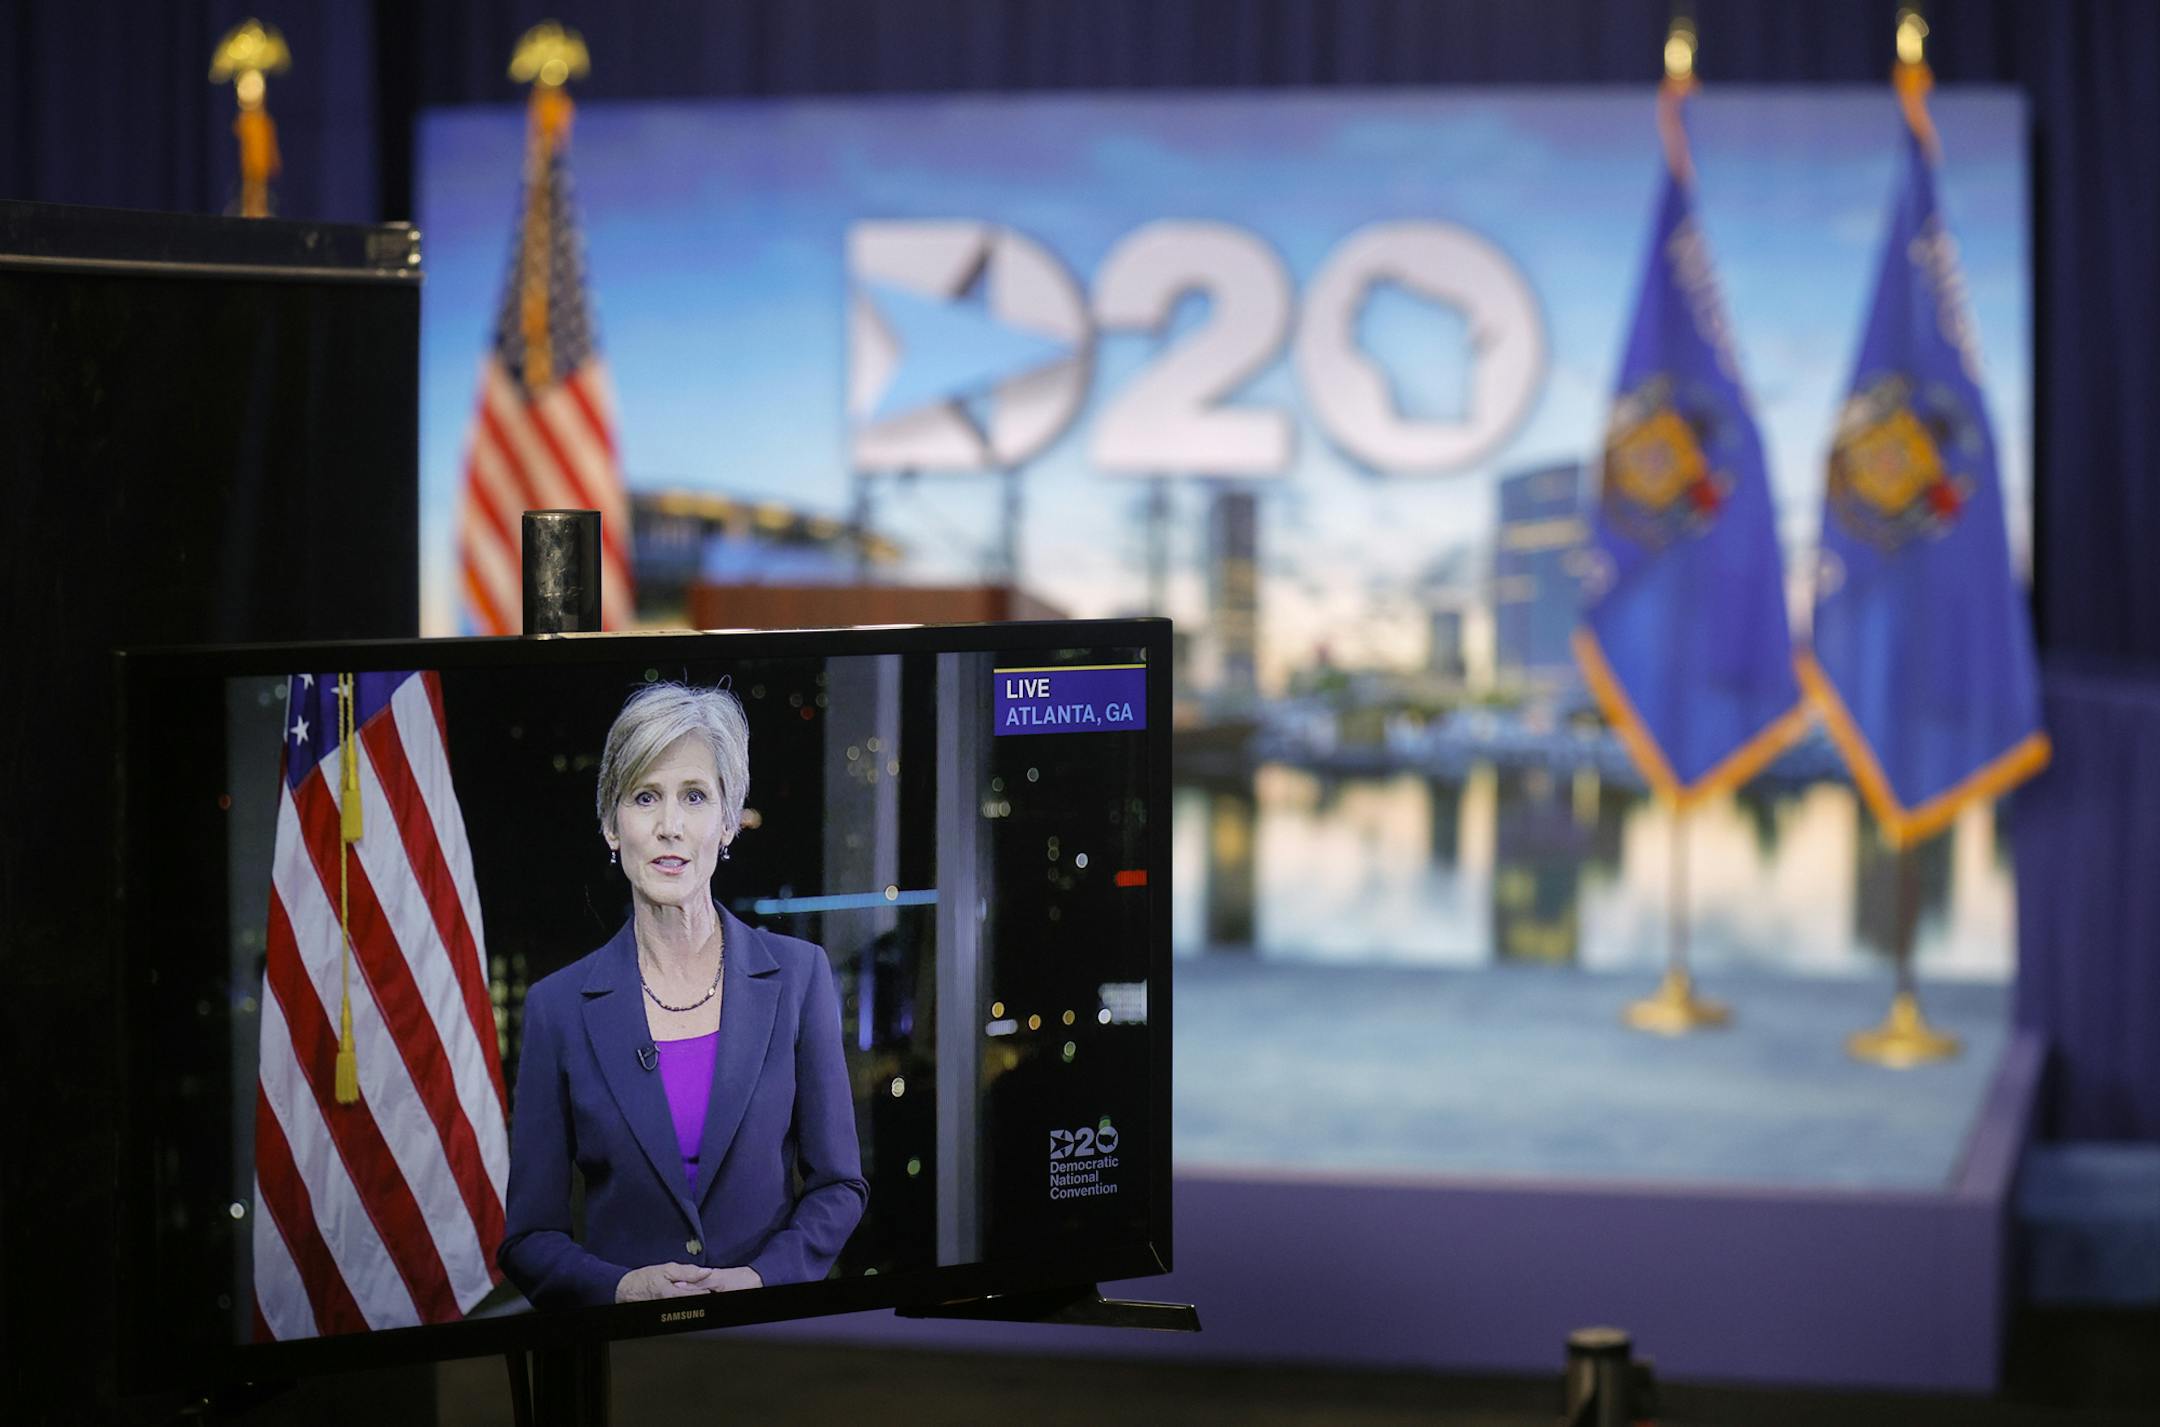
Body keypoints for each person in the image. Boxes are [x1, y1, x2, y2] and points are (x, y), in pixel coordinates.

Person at [500, 680, 867, 1308]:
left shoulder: (800, 977)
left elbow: (840, 1187)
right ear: (612, 827)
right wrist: (616, 1288)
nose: (670, 825)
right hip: (630, 1362)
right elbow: (529, 1238)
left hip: (777, 1349)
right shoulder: (556, 1009)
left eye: (694, 797)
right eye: (645, 797)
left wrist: (761, 1281)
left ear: (726, 822)